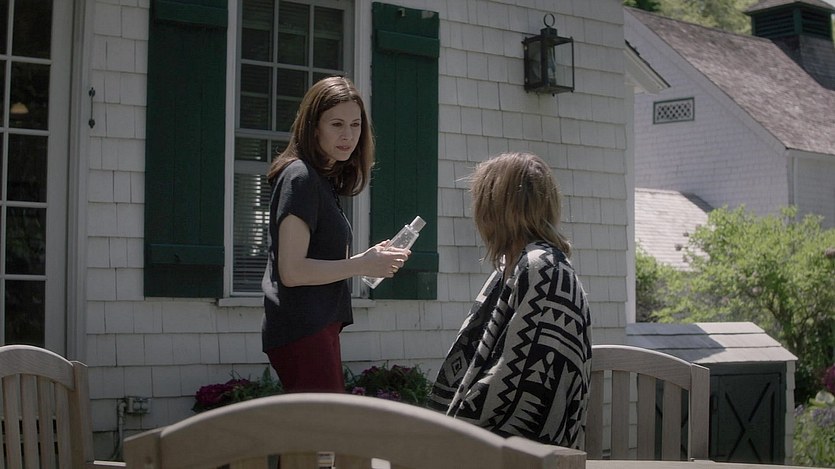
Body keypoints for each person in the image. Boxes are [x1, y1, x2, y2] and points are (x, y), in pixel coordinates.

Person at [428, 151, 592, 449]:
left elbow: (521, 387)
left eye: (481, 201)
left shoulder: (544, 268)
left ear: (495, 209)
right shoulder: (515, 266)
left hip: (522, 452)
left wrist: (449, 434)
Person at [262, 76, 410, 393]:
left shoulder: (320, 180)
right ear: (313, 127)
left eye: (355, 125)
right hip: (303, 329)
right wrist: (362, 265)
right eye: (337, 124)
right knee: (324, 423)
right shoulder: (300, 176)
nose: (348, 136)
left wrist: (368, 259)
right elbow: (292, 271)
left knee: (321, 423)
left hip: (317, 326)